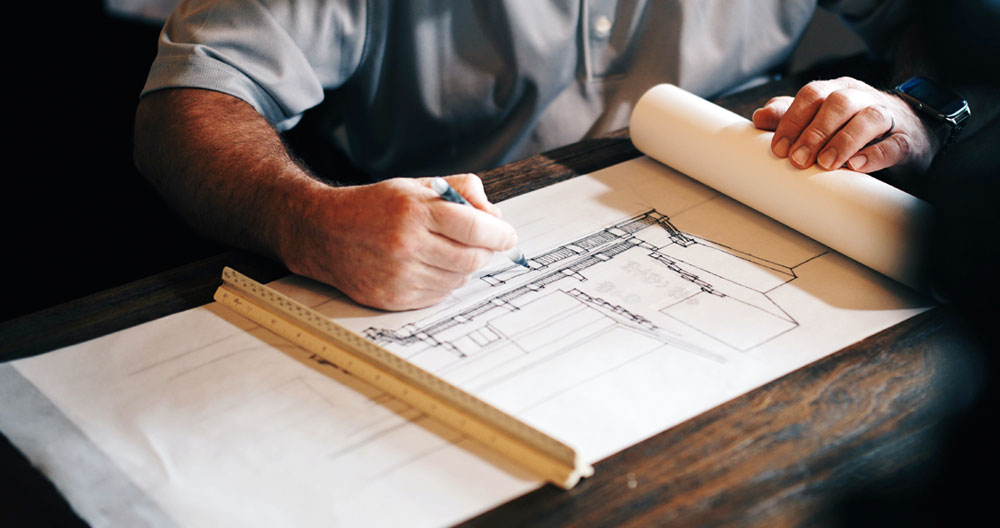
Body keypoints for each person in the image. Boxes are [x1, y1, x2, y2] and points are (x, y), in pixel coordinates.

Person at [132, 0, 958, 311]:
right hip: (439, 266)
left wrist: (913, 107)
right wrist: (305, 218)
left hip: (759, 249)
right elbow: (190, 100)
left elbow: (940, 22)